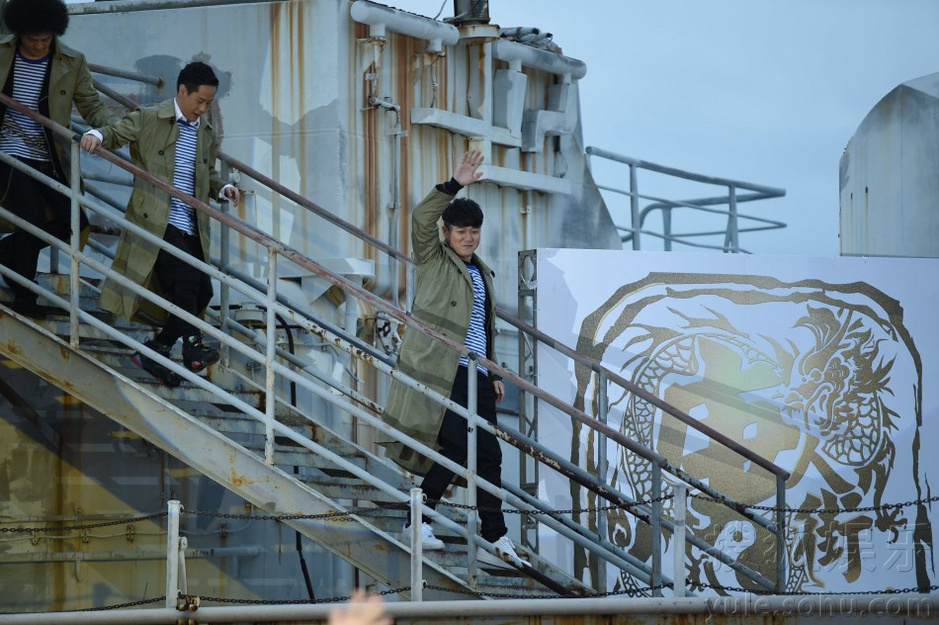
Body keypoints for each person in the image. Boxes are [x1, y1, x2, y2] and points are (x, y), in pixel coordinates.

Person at [380, 150, 527, 568]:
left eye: (474, 232)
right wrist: (454, 184)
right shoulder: (432, 257)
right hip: (441, 369)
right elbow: (420, 218)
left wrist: (494, 370)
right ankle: (420, 519)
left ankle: (494, 538)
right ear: (446, 233)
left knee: (489, 455)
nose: (468, 238)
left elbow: (482, 324)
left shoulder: (481, 271)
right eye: (461, 231)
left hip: (477, 372)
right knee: (458, 444)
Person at [80, 61, 239, 387]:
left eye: (208, 103)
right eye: (200, 101)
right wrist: (97, 134)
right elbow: (117, 131)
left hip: (191, 223)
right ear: (182, 91)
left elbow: (206, 174)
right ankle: (193, 345)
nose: (203, 108)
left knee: (203, 291)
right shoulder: (150, 117)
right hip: (156, 218)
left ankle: (156, 350)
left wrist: (222, 187)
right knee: (185, 279)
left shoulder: (205, 133)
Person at [0, 0, 118, 316]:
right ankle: (25, 297)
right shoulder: (2, 53)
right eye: (32, 39)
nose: (39, 45)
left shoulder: (72, 61)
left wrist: (108, 131)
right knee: (32, 219)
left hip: (49, 155)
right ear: (19, 33)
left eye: (45, 39)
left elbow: (92, 106)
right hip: (8, 151)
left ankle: (7, 251)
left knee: (74, 221)